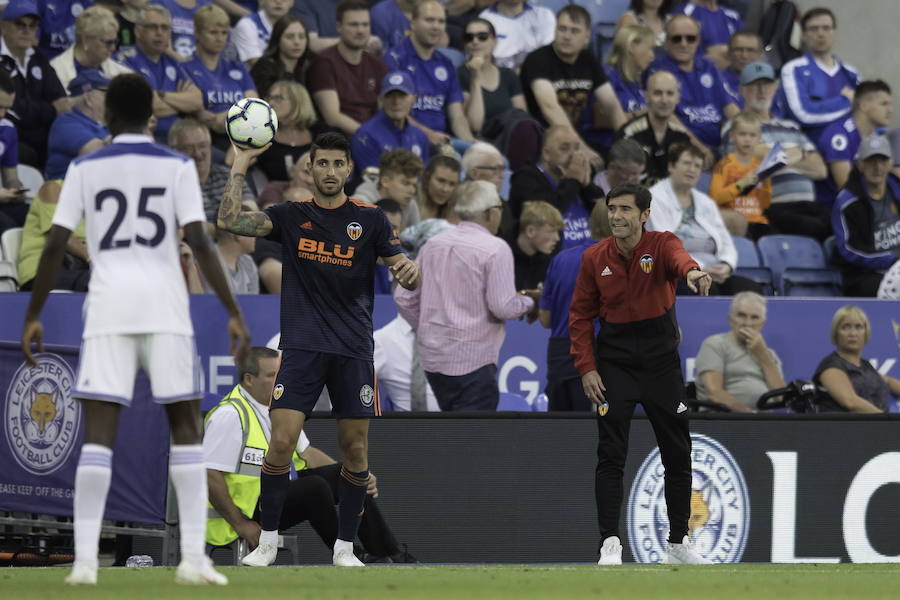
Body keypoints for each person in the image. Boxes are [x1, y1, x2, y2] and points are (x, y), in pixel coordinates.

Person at [20, 72, 250, 585]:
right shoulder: (175, 165)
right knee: (186, 429)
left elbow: (56, 244)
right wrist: (233, 310)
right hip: (165, 306)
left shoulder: (85, 165)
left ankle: (83, 563)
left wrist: (34, 312)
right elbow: (201, 241)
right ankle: (193, 558)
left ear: (105, 117)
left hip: (107, 307)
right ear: (152, 115)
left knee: (100, 436)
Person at [216, 130, 420, 568]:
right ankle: (267, 542)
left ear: (348, 169)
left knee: (355, 451)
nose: (329, 172)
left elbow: (405, 269)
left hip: (352, 351)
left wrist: (409, 271)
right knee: (282, 442)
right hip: (303, 348)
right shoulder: (290, 215)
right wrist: (240, 163)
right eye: (321, 163)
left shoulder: (371, 220)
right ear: (309, 168)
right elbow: (229, 221)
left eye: (337, 164)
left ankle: (345, 548)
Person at [568, 182, 712, 565]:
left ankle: (678, 543)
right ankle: (609, 543)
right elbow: (580, 316)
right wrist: (587, 368)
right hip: (615, 364)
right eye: (612, 208)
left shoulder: (662, 244)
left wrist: (694, 274)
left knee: (677, 453)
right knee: (611, 454)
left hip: (661, 365)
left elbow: (681, 260)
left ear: (645, 215)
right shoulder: (594, 257)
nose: (616, 216)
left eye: (625, 209)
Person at [204, 347, 417, 562]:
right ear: (249, 379)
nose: (279, 382)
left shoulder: (276, 409)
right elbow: (209, 475)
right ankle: (349, 553)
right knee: (314, 487)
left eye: (280, 375)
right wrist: (241, 524)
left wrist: (353, 480)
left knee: (350, 477)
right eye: (272, 376)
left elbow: (307, 453)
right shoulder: (229, 415)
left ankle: (388, 553)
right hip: (247, 511)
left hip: (280, 493)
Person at [394, 180, 536, 411]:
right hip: (474, 361)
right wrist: (531, 301)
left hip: (433, 360)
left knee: (453, 435)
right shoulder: (496, 248)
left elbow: (403, 297)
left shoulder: (432, 244)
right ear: (491, 213)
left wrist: (427, 329)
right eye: (500, 209)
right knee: (473, 441)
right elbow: (503, 307)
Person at [719, 61, 830, 240]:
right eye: (754, 85)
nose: (761, 91)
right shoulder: (735, 126)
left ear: (775, 87)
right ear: (742, 90)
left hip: (808, 206)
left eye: (766, 84)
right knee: (816, 229)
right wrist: (799, 153)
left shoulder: (791, 127)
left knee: (844, 224)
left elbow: (820, 170)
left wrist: (775, 158)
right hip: (771, 207)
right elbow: (748, 156)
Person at [647, 142, 760, 295]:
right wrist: (698, 268)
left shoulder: (705, 201)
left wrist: (726, 265)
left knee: (749, 289)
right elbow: (665, 246)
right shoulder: (654, 198)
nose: (691, 169)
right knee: (706, 289)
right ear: (671, 166)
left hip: (712, 270)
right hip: (677, 272)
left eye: (697, 166)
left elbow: (726, 242)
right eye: (686, 163)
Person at [519, 4, 625, 165]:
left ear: (587, 37)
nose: (567, 36)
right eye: (562, 29)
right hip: (542, 142)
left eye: (574, 31)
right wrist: (580, 148)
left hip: (575, 137)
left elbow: (612, 105)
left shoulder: (588, 60)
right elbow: (549, 107)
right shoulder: (538, 59)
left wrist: (627, 143)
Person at [538, 200, 610, 412]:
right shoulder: (620, 262)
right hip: (598, 355)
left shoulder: (560, 260)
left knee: (562, 435)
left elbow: (545, 319)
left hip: (560, 356)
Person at [384, 0, 475, 147]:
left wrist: (471, 144)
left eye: (441, 21)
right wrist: (429, 135)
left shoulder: (446, 64)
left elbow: (457, 116)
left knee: (493, 159)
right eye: (429, 20)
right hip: (405, 140)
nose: (436, 27)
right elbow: (394, 114)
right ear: (413, 22)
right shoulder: (395, 59)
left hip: (443, 141)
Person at [644, 14, 739, 148]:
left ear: (698, 40)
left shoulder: (709, 66)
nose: (684, 44)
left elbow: (729, 106)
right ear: (666, 41)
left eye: (690, 38)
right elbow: (666, 117)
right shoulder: (659, 70)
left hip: (720, 144)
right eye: (677, 39)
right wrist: (698, 147)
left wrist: (747, 130)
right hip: (683, 146)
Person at [457, 17, 538, 171]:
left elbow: (521, 115)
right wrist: (475, 77)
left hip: (511, 138)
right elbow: (475, 125)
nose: (475, 41)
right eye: (469, 37)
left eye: (482, 37)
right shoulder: (461, 74)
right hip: (482, 143)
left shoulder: (508, 75)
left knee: (527, 129)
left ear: (494, 41)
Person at [509, 125, 604, 251]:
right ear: (546, 154)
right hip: (553, 261)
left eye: (576, 148)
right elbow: (545, 217)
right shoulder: (526, 179)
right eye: (564, 149)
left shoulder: (576, 177)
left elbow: (602, 213)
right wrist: (572, 180)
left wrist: (587, 185)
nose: (573, 155)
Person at [115, 5, 203, 141]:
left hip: (180, 139)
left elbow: (197, 101)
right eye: (152, 27)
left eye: (165, 28)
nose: (159, 33)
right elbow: (148, 106)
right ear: (138, 31)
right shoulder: (124, 60)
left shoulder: (173, 61)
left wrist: (161, 95)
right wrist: (182, 106)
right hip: (144, 138)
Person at [0, 1, 70, 168]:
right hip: (10, 133)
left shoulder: (38, 56)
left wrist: (37, 110)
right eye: (20, 24)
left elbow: (61, 100)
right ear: (3, 27)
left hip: (42, 134)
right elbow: (13, 109)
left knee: (66, 147)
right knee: (27, 153)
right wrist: (51, 109)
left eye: (32, 26)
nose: (26, 31)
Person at [778, 7, 859, 146]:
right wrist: (846, 100)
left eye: (826, 28)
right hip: (807, 148)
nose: (821, 34)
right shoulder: (793, 69)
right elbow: (803, 113)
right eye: (814, 29)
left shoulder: (851, 73)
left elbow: (864, 113)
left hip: (852, 147)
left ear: (834, 33)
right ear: (803, 35)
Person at [831, 135, 900, 297]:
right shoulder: (847, 202)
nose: (877, 168)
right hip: (862, 275)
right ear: (860, 164)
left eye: (883, 161)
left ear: (890, 163)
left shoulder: (897, 190)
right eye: (871, 161)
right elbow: (848, 250)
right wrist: (891, 258)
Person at [307, 1, 388, 137]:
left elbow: (385, 110)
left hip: (373, 135)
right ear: (339, 27)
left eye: (365, 25)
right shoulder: (324, 62)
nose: (360, 30)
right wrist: (370, 137)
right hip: (339, 139)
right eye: (353, 25)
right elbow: (332, 117)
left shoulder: (378, 65)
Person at [694, 291, 785, 413]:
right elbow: (714, 392)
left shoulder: (769, 354)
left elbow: (781, 396)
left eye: (755, 317)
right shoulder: (715, 344)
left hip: (763, 423)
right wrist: (748, 415)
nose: (748, 323)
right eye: (741, 315)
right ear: (730, 319)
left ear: (762, 323)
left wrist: (762, 354)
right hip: (723, 420)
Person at [183, 4, 258, 150]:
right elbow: (194, 110)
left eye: (224, 33)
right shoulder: (185, 69)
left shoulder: (238, 68)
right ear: (197, 33)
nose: (220, 38)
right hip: (205, 142)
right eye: (213, 32)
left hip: (242, 139)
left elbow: (254, 106)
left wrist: (223, 118)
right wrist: (238, 114)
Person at [817, 80, 892, 204]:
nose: (890, 110)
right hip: (836, 212)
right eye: (884, 104)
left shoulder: (878, 136)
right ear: (863, 105)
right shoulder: (838, 134)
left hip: (870, 205)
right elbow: (846, 187)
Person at [813, 306, 900, 413]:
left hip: (878, 426)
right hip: (848, 428)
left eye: (858, 327)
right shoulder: (830, 367)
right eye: (845, 327)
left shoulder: (865, 366)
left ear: (866, 333)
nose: (852, 334)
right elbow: (850, 402)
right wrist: (888, 422)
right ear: (835, 333)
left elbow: (886, 381)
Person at [168, 118, 255, 224]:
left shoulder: (228, 175)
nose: (198, 154)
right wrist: (228, 223)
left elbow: (252, 211)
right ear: (173, 151)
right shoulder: (170, 184)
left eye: (202, 146)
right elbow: (185, 228)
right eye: (188, 148)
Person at [617, 70, 695, 186]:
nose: (664, 100)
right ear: (646, 96)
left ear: (678, 98)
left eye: (670, 94)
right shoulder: (629, 134)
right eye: (658, 93)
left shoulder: (682, 137)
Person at [708, 111, 772, 238]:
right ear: (732, 136)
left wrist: (765, 182)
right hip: (733, 223)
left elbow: (765, 203)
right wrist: (741, 184)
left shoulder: (760, 166)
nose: (747, 139)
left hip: (758, 222)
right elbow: (714, 198)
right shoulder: (723, 164)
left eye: (752, 135)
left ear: (759, 139)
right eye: (742, 134)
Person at [16, 181, 90, 291]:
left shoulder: (99, 200)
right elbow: (61, 237)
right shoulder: (52, 189)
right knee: (101, 281)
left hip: (80, 267)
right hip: (44, 270)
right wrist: (93, 259)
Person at [350, 71, 430, 172]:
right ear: (381, 99)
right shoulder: (365, 136)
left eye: (402, 95)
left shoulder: (420, 137)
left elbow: (423, 178)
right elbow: (375, 182)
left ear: (413, 99)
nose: (396, 102)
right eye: (390, 95)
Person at [45, 70, 112, 182]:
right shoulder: (66, 123)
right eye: (107, 94)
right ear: (88, 98)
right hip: (66, 194)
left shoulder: (109, 126)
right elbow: (95, 153)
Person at [49, 5, 132, 92]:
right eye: (108, 42)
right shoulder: (54, 72)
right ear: (86, 40)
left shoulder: (123, 75)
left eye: (115, 42)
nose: (113, 48)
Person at [255, 80, 320, 182]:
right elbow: (233, 162)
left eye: (278, 98)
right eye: (269, 98)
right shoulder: (263, 137)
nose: (270, 103)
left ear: (298, 102)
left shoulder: (321, 134)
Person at [354, 148, 424, 228]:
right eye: (406, 183)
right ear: (385, 181)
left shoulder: (410, 203)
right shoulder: (360, 206)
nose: (412, 190)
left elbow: (417, 238)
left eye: (414, 185)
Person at [477, 0, 554, 71]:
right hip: (500, 77)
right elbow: (482, 59)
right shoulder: (484, 19)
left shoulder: (544, 15)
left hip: (537, 73)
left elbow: (548, 54)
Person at [670, 0, 743, 70]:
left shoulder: (732, 16)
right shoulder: (684, 13)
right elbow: (673, 56)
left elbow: (749, 51)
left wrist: (728, 53)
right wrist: (705, 61)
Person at [249, 14, 311, 96]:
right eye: (289, 37)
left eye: (302, 37)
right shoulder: (264, 68)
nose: (297, 42)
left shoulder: (309, 68)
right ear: (277, 40)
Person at [511, 200, 562, 290]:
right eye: (551, 231)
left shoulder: (550, 263)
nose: (557, 238)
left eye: (558, 231)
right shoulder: (501, 257)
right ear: (530, 231)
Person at [232, 0, 292, 65]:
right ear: (261, 1)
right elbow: (257, 65)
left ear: (291, 2)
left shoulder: (294, 27)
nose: (278, 1)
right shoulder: (247, 25)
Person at [718, 30, 763, 106]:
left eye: (750, 50)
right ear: (729, 53)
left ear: (760, 55)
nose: (744, 56)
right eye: (738, 50)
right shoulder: (717, 83)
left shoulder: (769, 85)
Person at [416, 154, 461, 221]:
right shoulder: (411, 200)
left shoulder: (456, 208)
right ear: (427, 177)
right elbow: (395, 231)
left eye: (452, 184)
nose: (445, 189)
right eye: (441, 181)